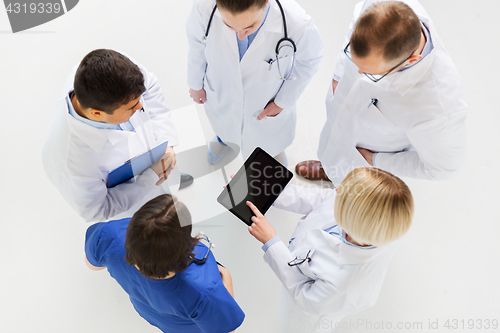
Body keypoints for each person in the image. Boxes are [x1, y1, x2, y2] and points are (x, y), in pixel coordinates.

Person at [296, 0, 467, 185]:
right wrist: (339, 75)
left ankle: (337, 175)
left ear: (411, 61)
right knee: (331, 148)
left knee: (347, 195)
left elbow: (442, 169)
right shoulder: (382, 5)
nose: (359, 73)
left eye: (371, 72)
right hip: (340, 119)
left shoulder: (438, 107)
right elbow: (355, 24)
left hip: (363, 160)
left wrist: (375, 160)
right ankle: (328, 168)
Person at [246, 167, 414, 333]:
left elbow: (305, 297)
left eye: (341, 195)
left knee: (297, 325)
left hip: (313, 310)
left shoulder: (344, 282)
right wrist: (269, 192)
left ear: (351, 218)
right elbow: (318, 199)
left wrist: (271, 242)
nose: (337, 189)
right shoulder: (370, 222)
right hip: (309, 267)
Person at [42, 49, 193, 222]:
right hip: (138, 208)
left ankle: (169, 184)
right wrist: (150, 178)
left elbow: (149, 85)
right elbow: (100, 209)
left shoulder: (112, 70)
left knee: (169, 190)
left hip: (157, 159)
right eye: (131, 107)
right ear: (97, 114)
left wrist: (166, 143)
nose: (140, 106)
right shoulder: (69, 162)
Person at [186, 0, 323, 164]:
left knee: (270, 140)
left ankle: (273, 152)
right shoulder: (203, 8)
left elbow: (310, 60)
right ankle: (225, 139)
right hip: (221, 88)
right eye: (229, 26)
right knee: (224, 121)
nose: (240, 35)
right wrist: (195, 83)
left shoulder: (296, 22)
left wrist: (282, 102)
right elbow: (196, 44)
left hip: (267, 100)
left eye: (249, 27)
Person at [85, 194, 245, 333]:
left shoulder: (108, 235)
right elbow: (226, 329)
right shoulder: (204, 289)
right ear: (184, 246)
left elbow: (92, 264)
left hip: (146, 309)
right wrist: (226, 277)